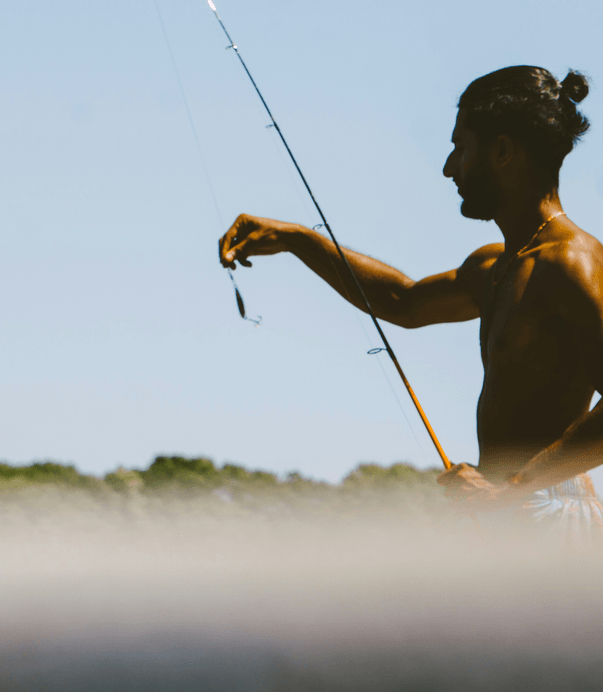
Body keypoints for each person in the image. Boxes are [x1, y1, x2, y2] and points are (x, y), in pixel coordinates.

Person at [218, 66, 603, 540]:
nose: (449, 167)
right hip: (504, 504)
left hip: (546, 508)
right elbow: (402, 301)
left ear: (502, 152)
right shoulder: (494, 266)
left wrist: (511, 490)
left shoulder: (572, 262)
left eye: (461, 147)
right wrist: (297, 240)